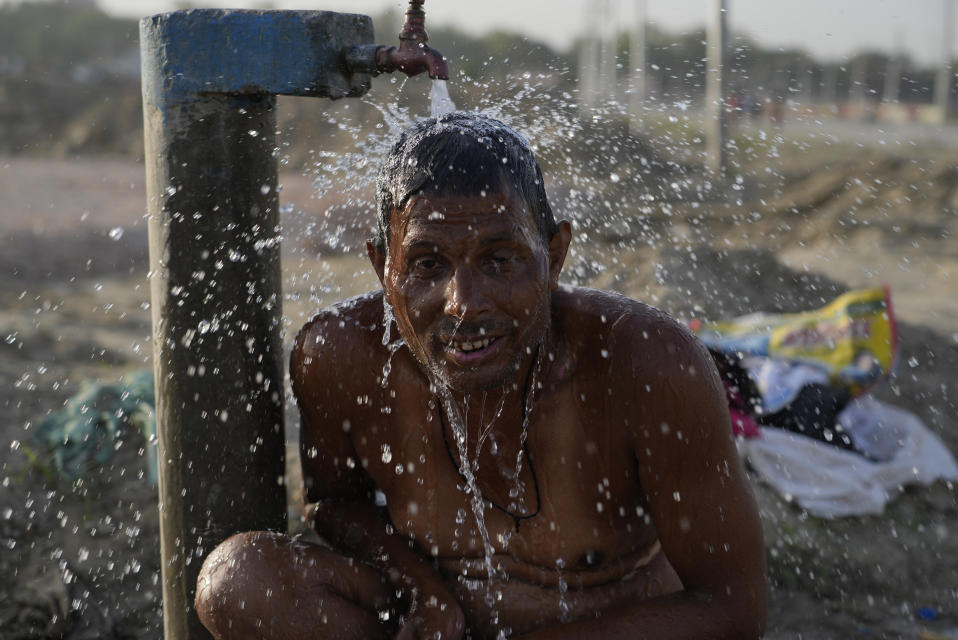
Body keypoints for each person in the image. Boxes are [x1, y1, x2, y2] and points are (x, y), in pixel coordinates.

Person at [194, 112, 768, 639]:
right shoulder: (340, 356)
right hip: (433, 623)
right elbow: (333, 504)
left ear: (555, 255)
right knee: (237, 580)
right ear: (381, 268)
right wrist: (425, 592)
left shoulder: (644, 362)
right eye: (427, 264)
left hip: (602, 622)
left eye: (500, 260)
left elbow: (733, 607)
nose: (463, 304)